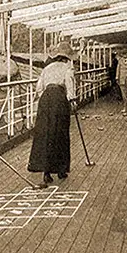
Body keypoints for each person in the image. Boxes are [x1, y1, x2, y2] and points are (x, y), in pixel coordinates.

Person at [28, 41, 78, 184]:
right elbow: (70, 87)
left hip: (46, 100)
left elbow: (39, 88)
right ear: (67, 58)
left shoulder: (47, 68)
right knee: (60, 132)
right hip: (59, 100)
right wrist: (73, 101)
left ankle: (46, 172)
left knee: (46, 134)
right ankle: (61, 170)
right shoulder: (68, 69)